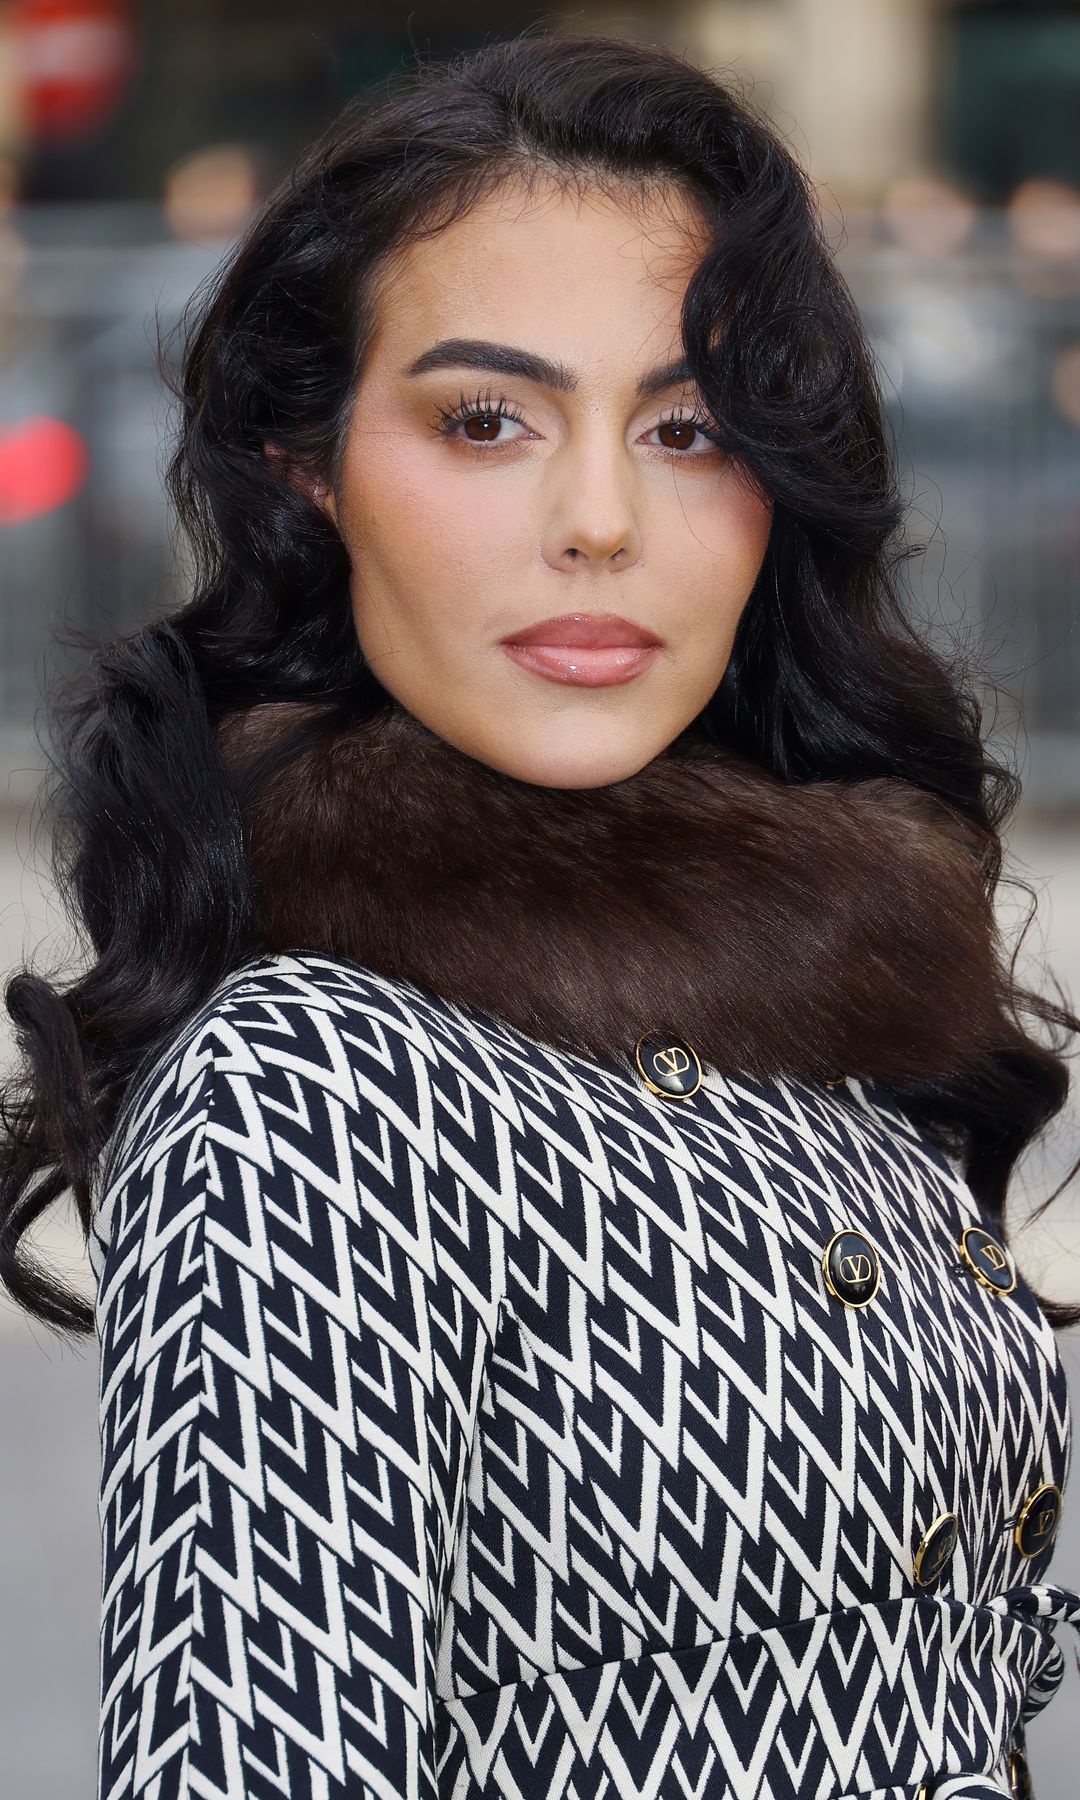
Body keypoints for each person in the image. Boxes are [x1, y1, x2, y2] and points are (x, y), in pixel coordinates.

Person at [2, 27, 1079, 1800]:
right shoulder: (315, 1094)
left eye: (690, 428)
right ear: (309, 467)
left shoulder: (825, 981)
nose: (599, 520)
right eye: (486, 419)